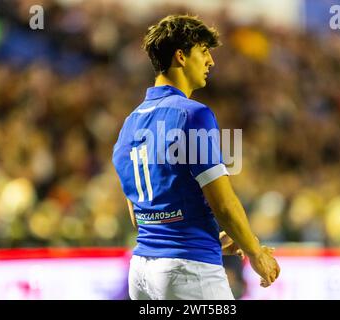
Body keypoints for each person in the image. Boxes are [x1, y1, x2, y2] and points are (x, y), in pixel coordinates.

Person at [112, 14, 280, 300]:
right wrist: (255, 252)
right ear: (181, 56)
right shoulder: (193, 114)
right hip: (188, 270)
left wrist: (207, 235)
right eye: (203, 52)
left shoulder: (130, 122)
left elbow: (139, 212)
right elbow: (223, 203)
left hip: (142, 272)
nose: (210, 61)